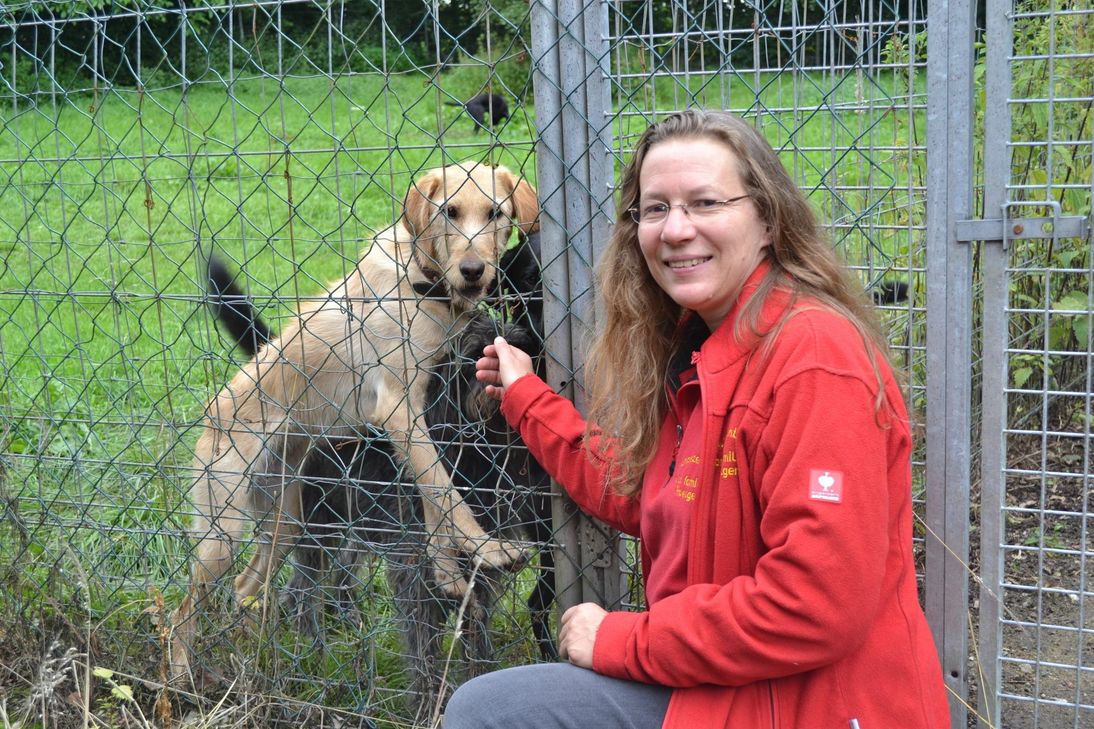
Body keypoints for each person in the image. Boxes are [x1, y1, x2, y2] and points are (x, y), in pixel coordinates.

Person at [444, 109, 949, 729]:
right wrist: (526, 395)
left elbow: (817, 604)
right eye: (654, 209)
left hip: (813, 705)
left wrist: (626, 641)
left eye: (705, 202)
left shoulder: (814, 361)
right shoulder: (704, 351)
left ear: (768, 219)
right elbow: (651, 496)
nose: (676, 229)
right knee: (494, 708)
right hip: (733, 685)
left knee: (489, 714)